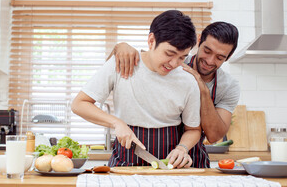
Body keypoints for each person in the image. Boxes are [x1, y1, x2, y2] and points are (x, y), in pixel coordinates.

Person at [72, 10, 201, 169]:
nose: (174, 64)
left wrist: (182, 148)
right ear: (151, 40)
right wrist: (117, 123)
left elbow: (193, 129)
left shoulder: (188, 81)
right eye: (169, 53)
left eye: (182, 57)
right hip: (124, 160)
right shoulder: (122, 62)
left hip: (168, 165)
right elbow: (79, 104)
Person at [111, 21, 240, 168]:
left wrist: (202, 89)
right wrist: (120, 46)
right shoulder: (175, 61)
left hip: (192, 158)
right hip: (164, 154)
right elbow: (148, 59)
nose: (209, 61)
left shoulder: (229, 86)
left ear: (228, 58)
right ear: (198, 41)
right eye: (207, 51)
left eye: (220, 57)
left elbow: (214, 136)